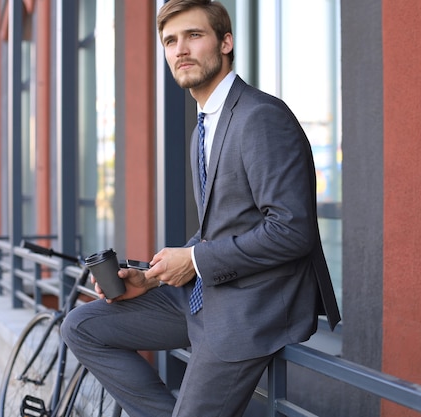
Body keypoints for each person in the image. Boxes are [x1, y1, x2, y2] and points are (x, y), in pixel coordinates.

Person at [61, 1, 340, 416]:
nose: (180, 50)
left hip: (252, 308)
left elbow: (292, 231)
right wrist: (151, 278)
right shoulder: (205, 125)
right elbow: (220, 227)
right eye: (170, 41)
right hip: (208, 295)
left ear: (225, 42)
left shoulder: (260, 117)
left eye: (194, 35)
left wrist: (193, 259)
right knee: (81, 326)